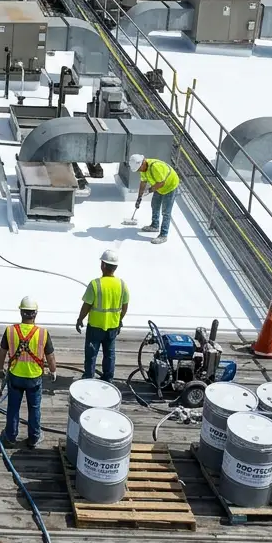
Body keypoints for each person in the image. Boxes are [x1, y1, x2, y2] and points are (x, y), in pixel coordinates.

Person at [0, 296, 57, 448]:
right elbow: (50, 356)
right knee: (34, 408)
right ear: (35, 314)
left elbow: (2, 352)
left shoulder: (10, 331)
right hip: (34, 378)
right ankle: (34, 437)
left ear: (21, 312)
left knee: (13, 407)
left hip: (15, 376)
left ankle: (10, 436)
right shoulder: (42, 333)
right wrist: (53, 370)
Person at [76, 248, 129, 381]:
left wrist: (80, 319)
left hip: (95, 326)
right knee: (109, 354)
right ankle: (108, 378)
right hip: (112, 326)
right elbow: (125, 306)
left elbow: (86, 305)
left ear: (103, 265)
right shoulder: (122, 285)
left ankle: (89, 377)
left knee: (91, 354)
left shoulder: (95, 284)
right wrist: (119, 320)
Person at [129, 154, 180, 245]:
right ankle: (155, 225)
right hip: (159, 187)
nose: (139, 171)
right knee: (155, 205)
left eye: (139, 169)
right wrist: (139, 197)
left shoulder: (155, 167)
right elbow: (143, 182)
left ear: (143, 162)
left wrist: (149, 190)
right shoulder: (143, 169)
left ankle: (163, 235)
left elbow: (161, 183)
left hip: (170, 186)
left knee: (166, 212)